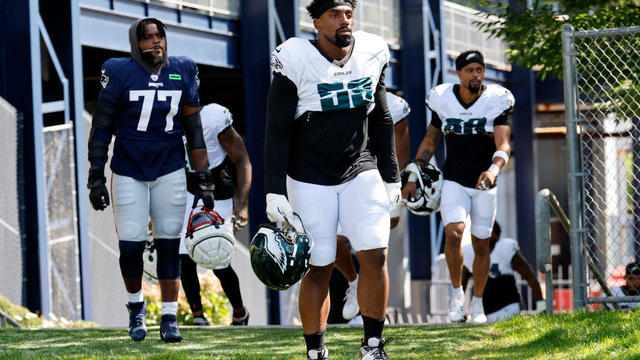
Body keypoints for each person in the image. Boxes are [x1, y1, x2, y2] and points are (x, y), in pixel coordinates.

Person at [264, 1, 401, 358]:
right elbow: (276, 130)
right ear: (316, 22)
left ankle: (372, 346)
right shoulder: (294, 57)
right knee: (320, 263)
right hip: (310, 174)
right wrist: (273, 191)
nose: (345, 21)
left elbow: (383, 119)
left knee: (376, 254)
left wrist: (391, 176)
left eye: (349, 14)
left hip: (360, 166)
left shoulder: (371, 52)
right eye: (336, 15)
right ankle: (316, 351)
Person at [87, 18, 215, 342]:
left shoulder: (183, 69)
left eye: (159, 36)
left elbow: (194, 130)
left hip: (170, 167)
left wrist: (204, 176)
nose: (155, 42)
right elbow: (102, 126)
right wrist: (95, 174)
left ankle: (170, 316)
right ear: (135, 43)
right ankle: (136, 308)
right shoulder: (118, 71)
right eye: (147, 38)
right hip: (129, 167)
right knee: (130, 246)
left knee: (170, 246)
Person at [401, 50, 514, 324]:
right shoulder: (443, 100)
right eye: (470, 69)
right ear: (459, 72)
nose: (476, 74)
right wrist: (414, 175)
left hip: (485, 183)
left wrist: (493, 169)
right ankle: (455, 296)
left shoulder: (495, 101)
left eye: (480, 69)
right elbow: (430, 140)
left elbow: (503, 145)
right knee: (453, 234)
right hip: (453, 179)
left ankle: (477, 304)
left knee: (481, 244)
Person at [336, 92, 411, 322]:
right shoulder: (343, 94)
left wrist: (394, 184)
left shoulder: (394, 105)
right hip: (345, 177)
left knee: (374, 250)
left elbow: (400, 147)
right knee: (334, 243)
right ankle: (354, 282)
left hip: (378, 180)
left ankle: (376, 317)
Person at [179, 103, 251, 326]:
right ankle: (198, 316)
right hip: (185, 191)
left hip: (217, 192)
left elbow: (242, 160)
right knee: (184, 257)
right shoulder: (163, 117)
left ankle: (239, 312)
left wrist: (242, 205)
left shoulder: (212, 118)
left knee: (217, 259)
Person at [461, 222, 545, 323]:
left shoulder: (506, 248)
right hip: (483, 311)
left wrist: (540, 303)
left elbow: (529, 275)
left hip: (508, 306)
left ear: (496, 235)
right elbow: (462, 284)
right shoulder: (469, 252)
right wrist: (460, 309)